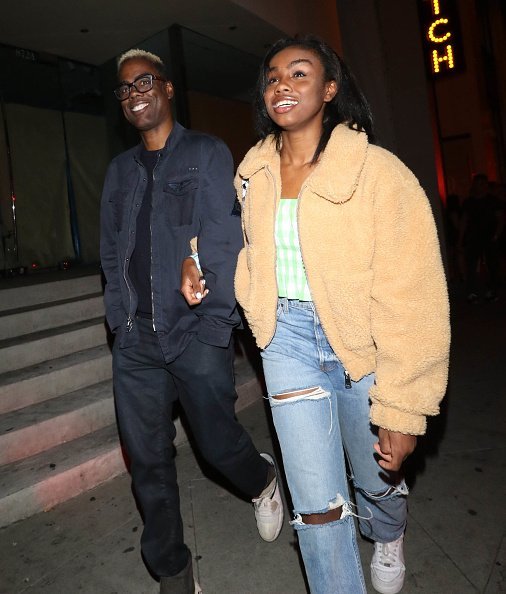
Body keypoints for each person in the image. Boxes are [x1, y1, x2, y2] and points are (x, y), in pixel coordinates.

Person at [182, 35, 450, 594]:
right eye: (273, 75)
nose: (283, 84)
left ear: (330, 89)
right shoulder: (253, 174)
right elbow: (243, 247)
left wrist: (405, 408)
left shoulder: (377, 172)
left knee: (377, 479)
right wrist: (198, 262)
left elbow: (415, 293)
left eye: (300, 74)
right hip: (287, 342)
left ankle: (389, 531)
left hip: (362, 344)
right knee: (318, 505)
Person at [100, 48, 283, 594]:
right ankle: (173, 572)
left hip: (195, 333)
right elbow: (112, 251)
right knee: (148, 464)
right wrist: (117, 317)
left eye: (145, 82)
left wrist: (212, 326)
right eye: (126, 89)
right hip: (135, 341)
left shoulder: (205, 153)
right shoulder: (118, 172)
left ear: (168, 89)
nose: (135, 94)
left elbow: (223, 241)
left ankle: (262, 479)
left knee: (217, 444)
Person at [459, 173, 504, 303]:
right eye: (477, 184)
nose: (480, 187)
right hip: (474, 237)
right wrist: (460, 239)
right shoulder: (469, 202)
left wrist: (496, 235)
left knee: (492, 264)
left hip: (489, 237)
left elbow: (500, 218)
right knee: (471, 264)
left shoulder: (493, 201)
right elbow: (464, 220)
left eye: (482, 184)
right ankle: (472, 292)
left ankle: (492, 290)